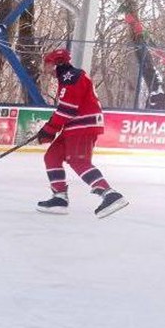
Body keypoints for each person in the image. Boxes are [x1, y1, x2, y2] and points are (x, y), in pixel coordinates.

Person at [35, 48, 128, 218]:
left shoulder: (72, 77)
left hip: (82, 126)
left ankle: (109, 194)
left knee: (79, 161)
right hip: (74, 126)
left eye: (47, 63)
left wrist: (49, 129)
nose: (45, 68)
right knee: (52, 156)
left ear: (55, 63)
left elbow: (67, 110)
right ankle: (59, 197)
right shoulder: (67, 77)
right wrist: (50, 129)